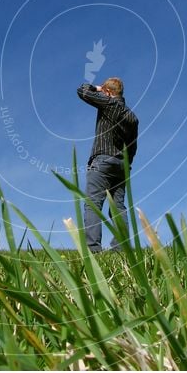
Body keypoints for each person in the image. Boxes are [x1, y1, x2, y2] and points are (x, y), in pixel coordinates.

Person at [76, 77, 139, 252]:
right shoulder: (132, 117)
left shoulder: (109, 103)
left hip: (102, 160)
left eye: (104, 92)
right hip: (121, 165)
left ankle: (93, 249)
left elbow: (82, 90)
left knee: (93, 203)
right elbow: (133, 146)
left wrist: (97, 88)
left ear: (109, 93)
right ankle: (121, 248)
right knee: (118, 207)